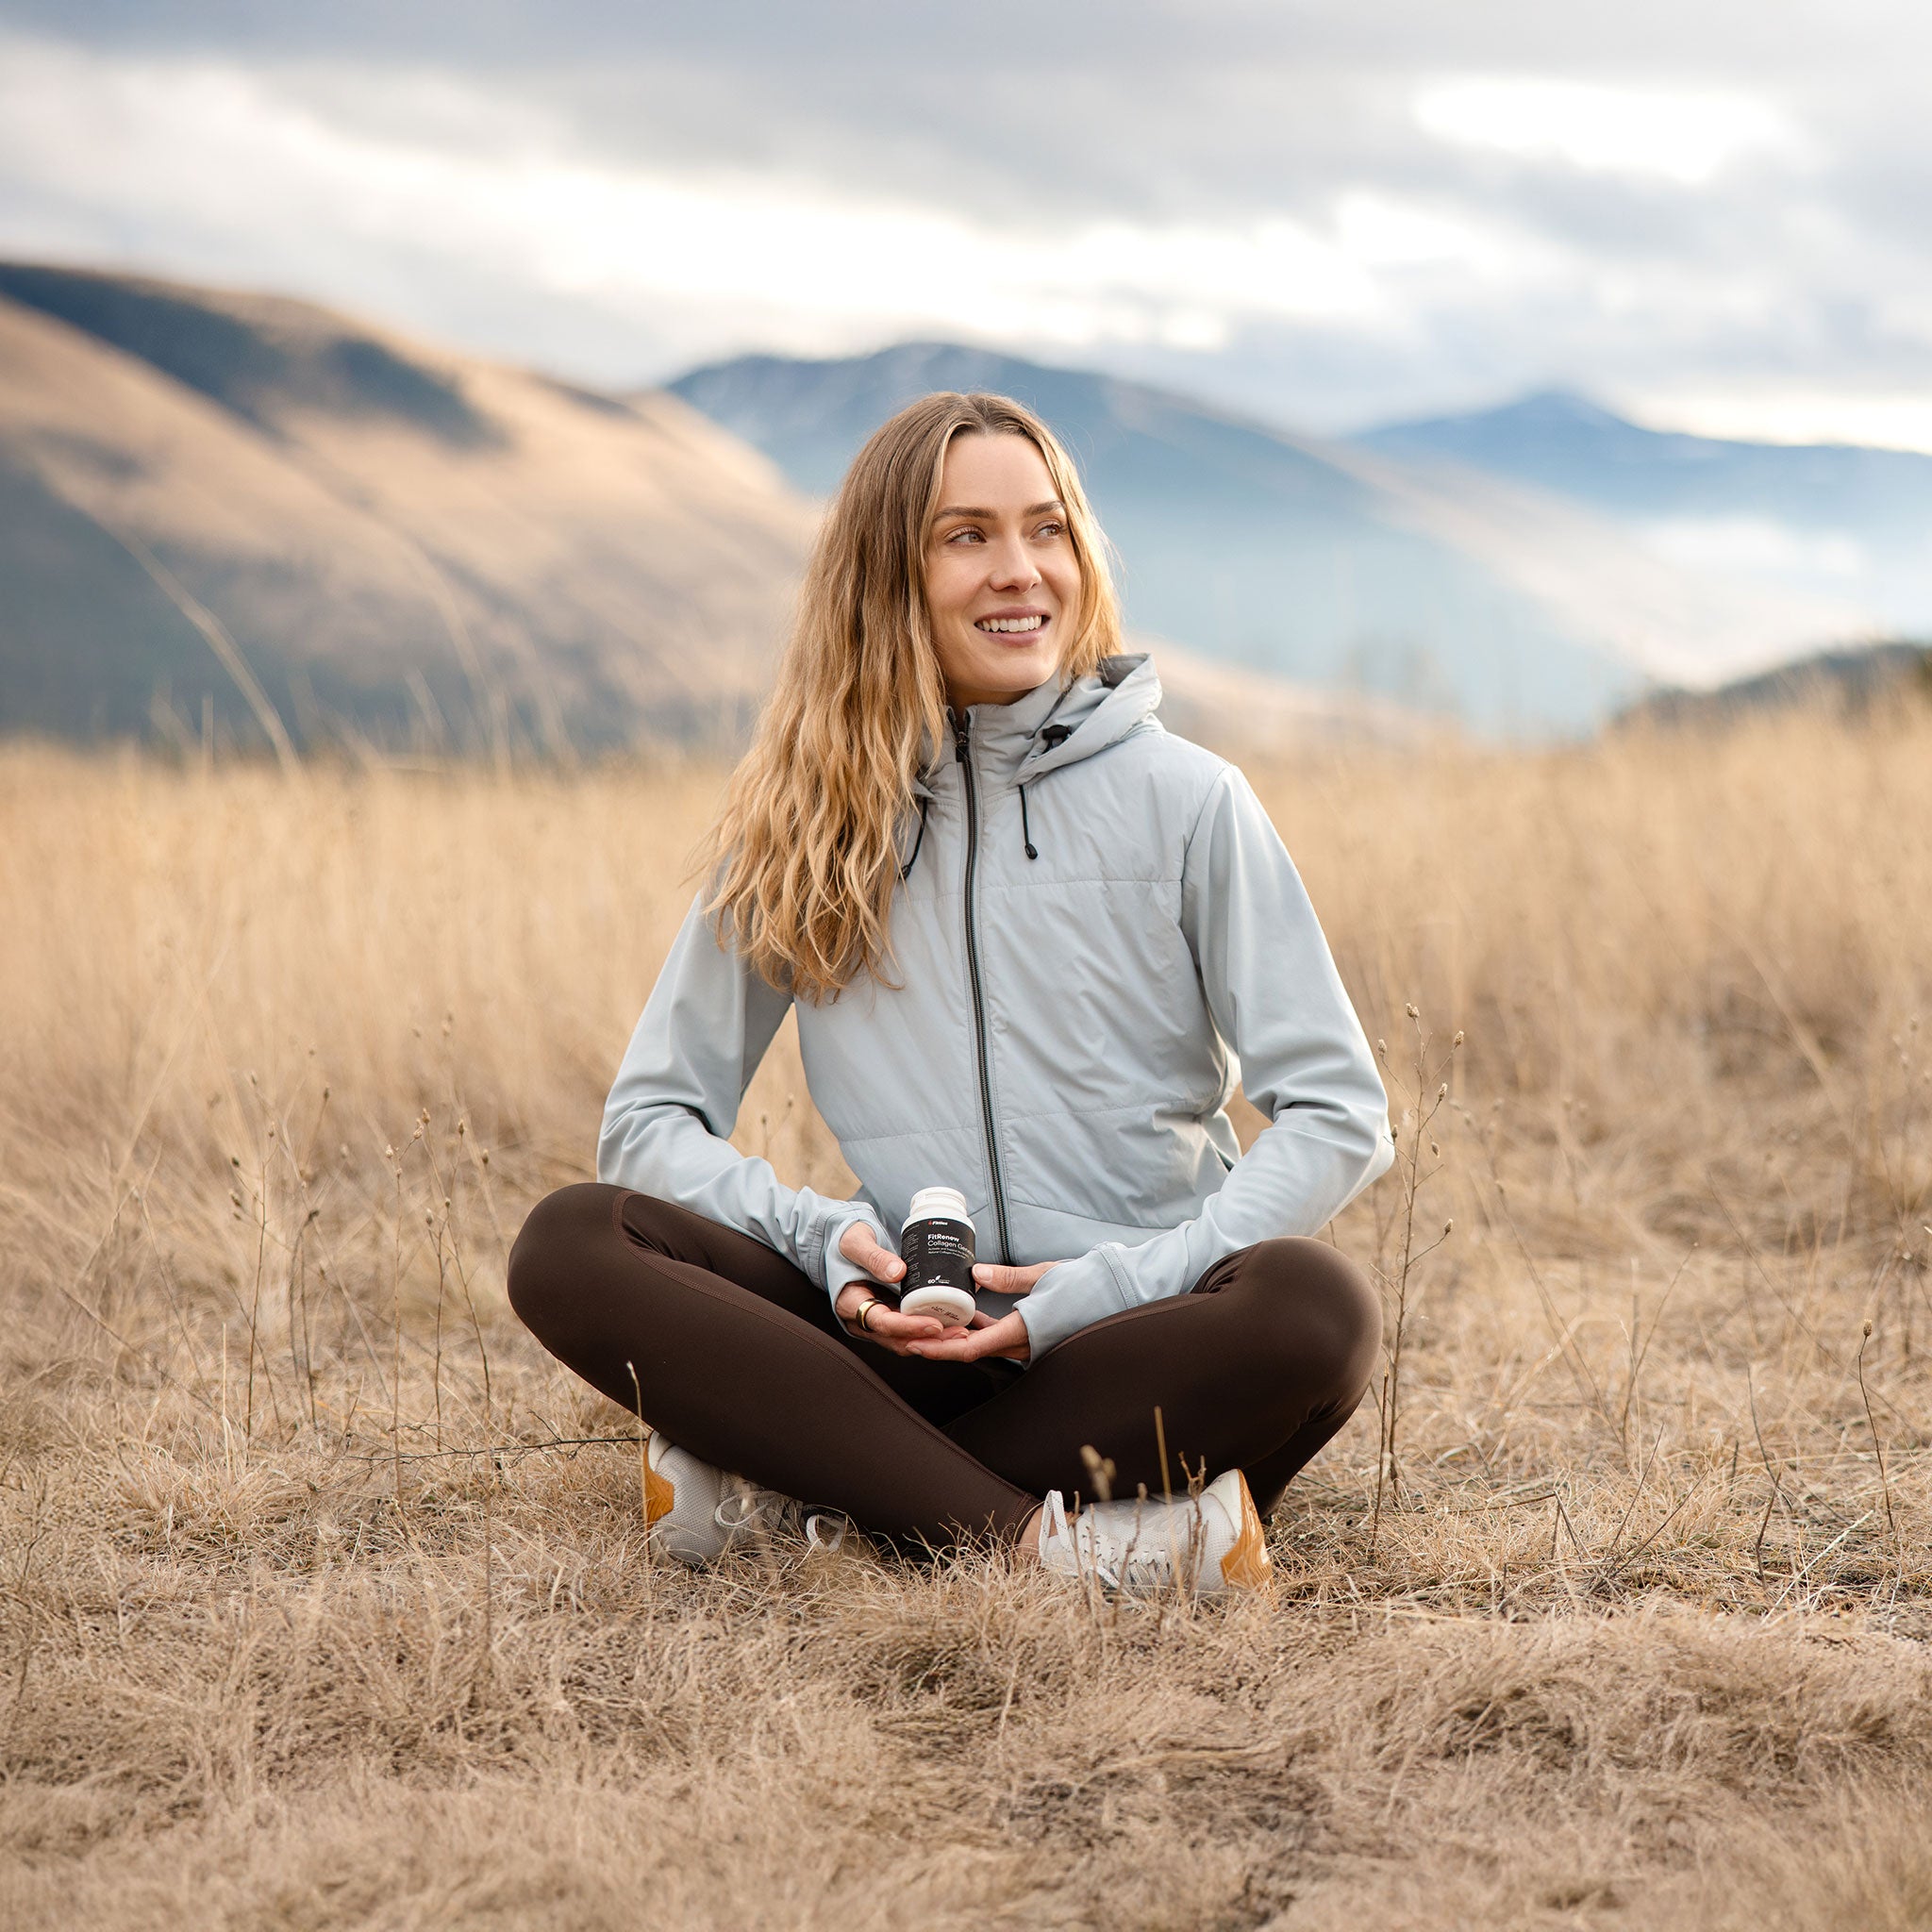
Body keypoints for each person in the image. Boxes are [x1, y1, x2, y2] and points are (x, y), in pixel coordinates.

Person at [506, 391, 1394, 1596]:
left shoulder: (1190, 803)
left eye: (1046, 528)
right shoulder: (806, 816)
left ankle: (801, 1491)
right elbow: (649, 1122)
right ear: (887, 574)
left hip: (1126, 1339)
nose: (1019, 571)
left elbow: (1338, 1112)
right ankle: (1062, 1549)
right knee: (573, 1239)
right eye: (964, 534)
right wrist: (827, 1244)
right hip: (900, 1336)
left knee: (1313, 1307)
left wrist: (1112, 1284)